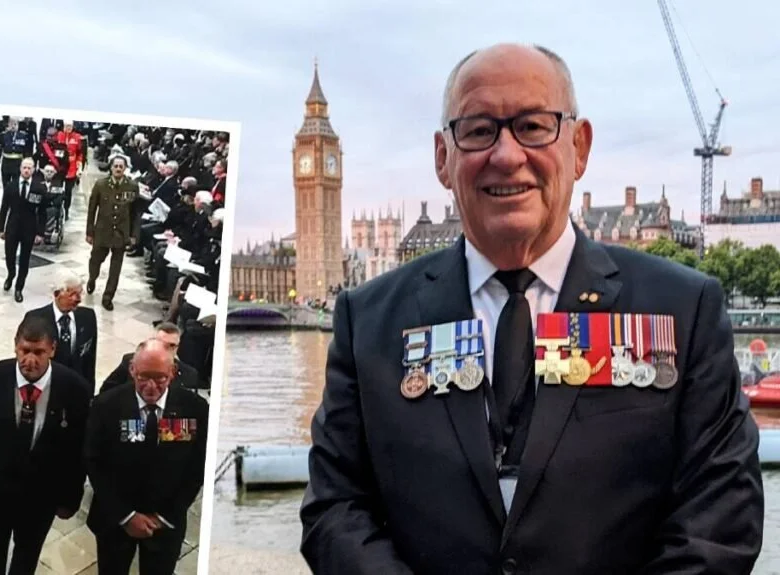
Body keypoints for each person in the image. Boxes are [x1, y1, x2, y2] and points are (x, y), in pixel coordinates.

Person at [299, 43, 764, 575]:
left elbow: (720, 517)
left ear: (579, 146)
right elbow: (334, 506)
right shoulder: (370, 320)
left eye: (533, 126)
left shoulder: (683, 308)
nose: (506, 154)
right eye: (477, 130)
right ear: (442, 159)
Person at [0, 315, 90, 575]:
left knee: (26, 558)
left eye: (39, 352)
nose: (30, 360)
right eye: (25, 350)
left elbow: (78, 450)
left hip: (41, 496)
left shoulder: (75, 389)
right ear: (15, 345)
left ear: (53, 349)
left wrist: (71, 497)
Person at [84, 338, 208, 575]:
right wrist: (127, 516)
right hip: (115, 521)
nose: (151, 386)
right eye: (143, 377)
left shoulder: (194, 409)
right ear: (132, 370)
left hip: (165, 525)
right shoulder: (106, 406)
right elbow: (94, 462)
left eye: (160, 378)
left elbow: (196, 467)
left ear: (172, 373)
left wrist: (164, 516)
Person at [22, 271, 98, 397]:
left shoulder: (88, 317)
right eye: (71, 294)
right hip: (47, 391)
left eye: (79, 293)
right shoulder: (35, 318)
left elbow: (90, 361)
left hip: (77, 390)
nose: (77, 299)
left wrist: (89, 393)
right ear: (56, 294)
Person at [85, 155, 138, 311]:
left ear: (125, 168)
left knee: (116, 268)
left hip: (121, 233)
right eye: (116, 166)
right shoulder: (101, 184)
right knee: (96, 259)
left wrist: (134, 235)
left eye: (121, 166)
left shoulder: (132, 186)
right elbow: (92, 209)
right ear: (111, 167)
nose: (118, 169)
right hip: (102, 231)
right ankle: (92, 278)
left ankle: (108, 296)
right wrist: (90, 231)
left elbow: (135, 213)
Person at [99, 322, 204, 393]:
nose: (166, 350)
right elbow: (106, 391)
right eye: (161, 344)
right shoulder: (130, 362)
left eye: (171, 345)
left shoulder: (189, 375)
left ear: (178, 346)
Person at [0, 158, 47, 303]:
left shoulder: (39, 188)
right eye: (24, 167)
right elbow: (4, 208)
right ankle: (11, 274)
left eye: (29, 168)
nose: (26, 170)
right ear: (20, 168)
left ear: (34, 169)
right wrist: (1, 228)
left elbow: (42, 212)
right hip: (12, 226)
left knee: (25, 259)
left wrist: (40, 232)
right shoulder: (11, 186)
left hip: (29, 228)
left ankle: (19, 287)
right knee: (10, 256)